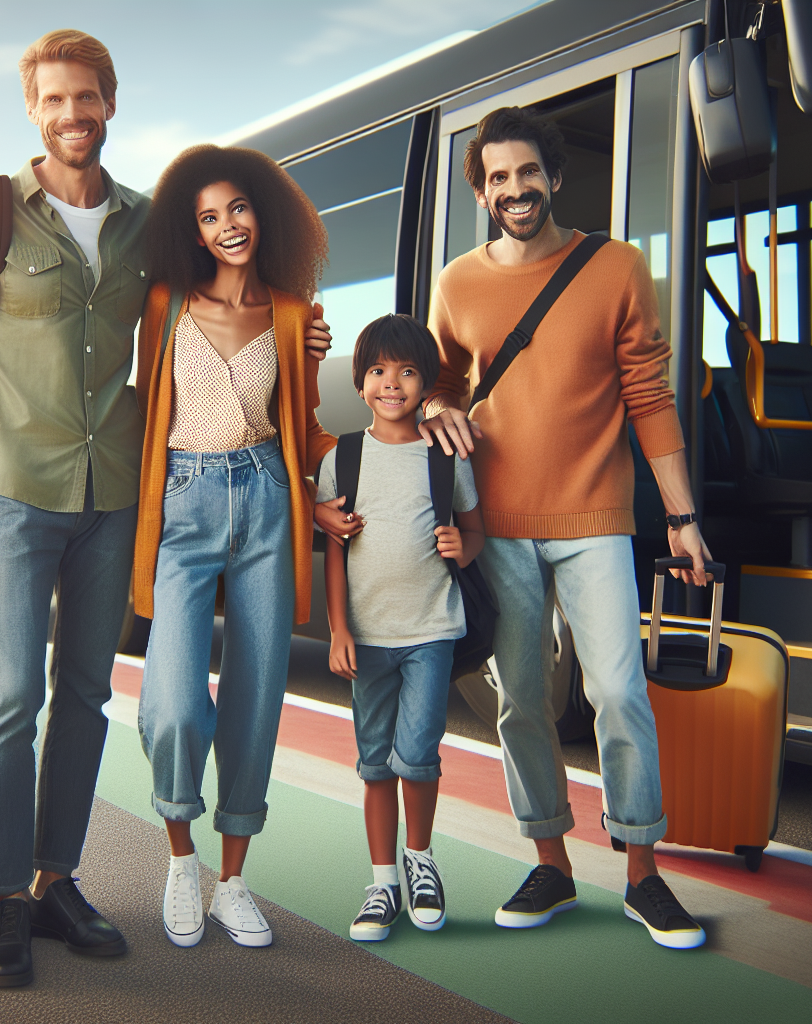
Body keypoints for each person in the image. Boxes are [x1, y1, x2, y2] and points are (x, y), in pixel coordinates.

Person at [0, 31, 333, 988]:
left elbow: (236, 288)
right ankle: (6, 895)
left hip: (122, 499)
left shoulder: (147, 225)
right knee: (14, 702)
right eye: (55, 100)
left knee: (90, 697)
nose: (72, 115)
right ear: (33, 110)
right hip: (13, 489)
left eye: (87, 98)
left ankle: (59, 880)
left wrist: (315, 333)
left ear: (109, 103)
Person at [420, 106, 710, 950]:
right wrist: (440, 407)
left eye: (527, 172)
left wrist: (683, 518)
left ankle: (644, 873)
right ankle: (550, 859)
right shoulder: (457, 283)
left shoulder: (617, 267)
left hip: (596, 517)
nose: (515, 188)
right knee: (518, 703)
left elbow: (649, 397)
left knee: (617, 690)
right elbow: (438, 382)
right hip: (497, 523)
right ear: (482, 191)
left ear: (554, 176)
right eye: (497, 177)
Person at [134, 145, 341, 949]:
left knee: (256, 702)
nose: (227, 227)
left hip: (266, 503)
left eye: (238, 210)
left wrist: (321, 500)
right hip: (182, 504)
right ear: (191, 232)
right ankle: (180, 859)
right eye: (209, 217)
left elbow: (306, 428)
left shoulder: (295, 315)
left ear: (265, 212)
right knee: (175, 706)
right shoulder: (166, 305)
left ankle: (232, 882)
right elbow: (139, 407)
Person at [318, 314, 484, 942]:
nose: (393, 383)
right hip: (367, 637)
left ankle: (422, 863)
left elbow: (474, 532)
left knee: (417, 757)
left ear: (426, 383)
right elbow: (333, 549)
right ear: (361, 382)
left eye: (408, 371)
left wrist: (460, 547)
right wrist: (337, 629)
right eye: (380, 371)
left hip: (431, 630)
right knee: (374, 763)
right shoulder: (344, 457)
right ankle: (382, 881)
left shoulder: (445, 455)